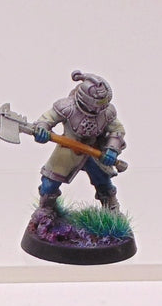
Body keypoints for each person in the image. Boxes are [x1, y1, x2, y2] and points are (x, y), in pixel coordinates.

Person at [32, 70, 127, 212]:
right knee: (49, 184)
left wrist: (112, 149)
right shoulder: (67, 107)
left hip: (94, 151)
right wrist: (42, 129)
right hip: (68, 149)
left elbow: (117, 130)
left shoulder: (107, 112)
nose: (100, 108)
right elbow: (47, 119)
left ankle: (111, 210)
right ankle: (46, 211)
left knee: (104, 183)